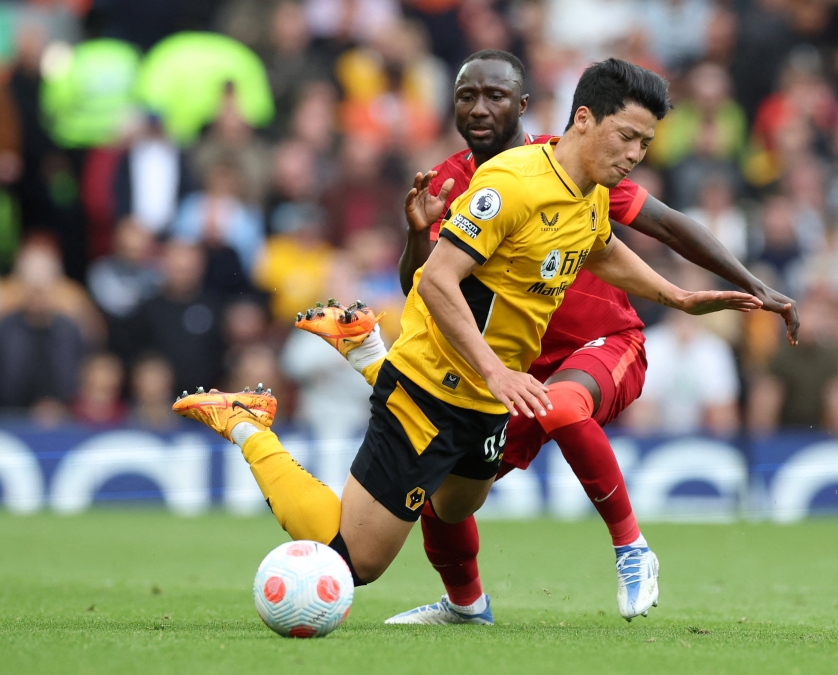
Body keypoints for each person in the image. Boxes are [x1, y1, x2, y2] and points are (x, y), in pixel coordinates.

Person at [173, 58, 760, 622]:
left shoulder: (591, 192)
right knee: (354, 562)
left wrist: (678, 298)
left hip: (485, 400)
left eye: (645, 144)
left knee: (455, 505)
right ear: (583, 119)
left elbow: (601, 250)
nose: (635, 154)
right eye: (627, 137)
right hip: (432, 388)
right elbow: (433, 281)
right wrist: (499, 371)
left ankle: (369, 359)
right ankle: (248, 424)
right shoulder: (507, 183)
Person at [372, 50, 798, 624]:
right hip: (515, 372)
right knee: (441, 491)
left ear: (523, 106)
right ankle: (466, 606)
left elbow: (668, 224)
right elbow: (422, 285)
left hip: (601, 346)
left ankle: (632, 548)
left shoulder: (573, 161)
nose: (479, 109)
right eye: (467, 97)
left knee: (564, 404)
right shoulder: (452, 180)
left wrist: (753, 286)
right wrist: (415, 236)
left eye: (495, 97)